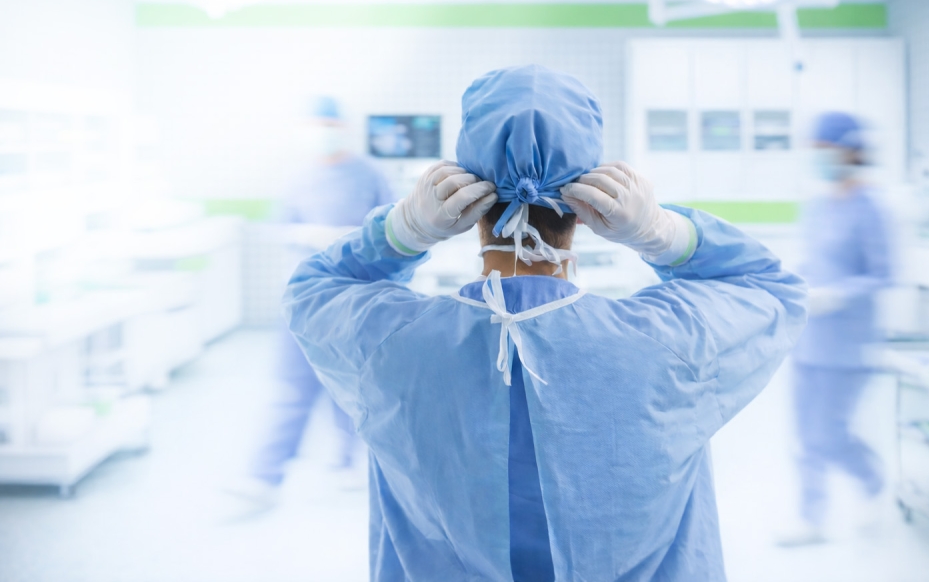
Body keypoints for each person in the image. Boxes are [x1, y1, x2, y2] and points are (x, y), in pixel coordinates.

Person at [284, 66, 807, 580]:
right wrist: (663, 232)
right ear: (584, 209)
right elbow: (771, 288)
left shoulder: (393, 345)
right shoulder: (669, 345)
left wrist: (401, 232)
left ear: (466, 204)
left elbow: (311, 290)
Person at [228, 96, 394, 507]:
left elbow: (392, 229)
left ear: (343, 127)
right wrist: (307, 235)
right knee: (291, 388)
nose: (322, 132)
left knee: (350, 384)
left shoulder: (369, 174)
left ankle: (346, 460)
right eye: (314, 124)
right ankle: (264, 477)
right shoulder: (296, 176)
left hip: (353, 296)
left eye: (328, 124)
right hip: (301, 297)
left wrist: (352, 239)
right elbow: (279, 227)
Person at [777, 112, 893, 546]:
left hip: (848, 342)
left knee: (830, 433)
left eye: (826, 150)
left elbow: (885, 274)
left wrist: (839, 294)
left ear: (850, 151)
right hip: (809, 338)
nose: (820, 159)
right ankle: (812, 517)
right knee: (805, 436)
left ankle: (872, 480)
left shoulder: (873, 209)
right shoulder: (819, 204)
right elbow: (811, 262)